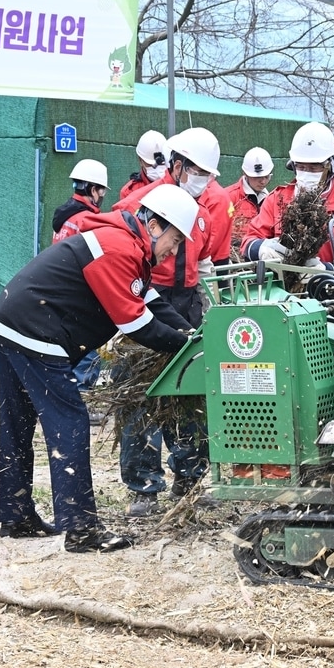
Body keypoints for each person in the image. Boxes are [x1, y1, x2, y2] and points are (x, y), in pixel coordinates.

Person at [0, 184, 199, 552]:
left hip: (13, 323)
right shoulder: (118, 247)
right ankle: (81, 529)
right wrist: (186, 349)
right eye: (175, 241)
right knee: (70, 421)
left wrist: (190, 333)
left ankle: (16, 516)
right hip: (35, 330)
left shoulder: (129, 246)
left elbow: (151, 302)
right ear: (155, 226)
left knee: (18, 423)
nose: (173, 252)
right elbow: (136, 324)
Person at [116, 126, 231, 516]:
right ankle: (143, 487)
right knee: (137, 396)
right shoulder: (137, 203)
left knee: (191, 394)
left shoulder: (206, 210)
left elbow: (206, 261)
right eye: (198, 171)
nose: (204, 181)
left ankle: (191, 477)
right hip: (143, 297)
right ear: (178, 165)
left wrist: (211, 305)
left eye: (208, 175)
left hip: (187, 303)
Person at [240, 122, 334, 282]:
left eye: (314, 168)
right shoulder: (277, 200)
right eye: (301, 167)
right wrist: (262, 248)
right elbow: (248, 240)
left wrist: (326, 272)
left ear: (330, 167)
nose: (306, 173)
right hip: (279, 292)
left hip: (327, 296)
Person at [225, 147, 273, 259]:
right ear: (245, 173)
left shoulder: (271, 199)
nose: (263, 181)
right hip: (234, 260)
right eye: (257, 177)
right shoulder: (228, 197)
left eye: (266, 176)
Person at [52, 159, 109, 244]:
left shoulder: (63, 214)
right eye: (102, 192)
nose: (102, 196)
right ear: (93, 190)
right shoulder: (88, 220)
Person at [118, 130, 169, 201]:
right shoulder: (129, 192)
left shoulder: (178, 183)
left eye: (161, 163)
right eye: (150, 164)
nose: (157, 169)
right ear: (140, 160)